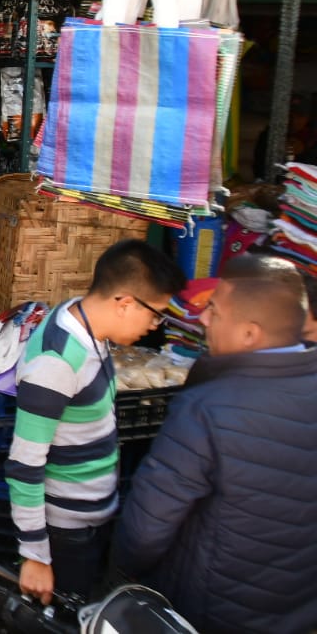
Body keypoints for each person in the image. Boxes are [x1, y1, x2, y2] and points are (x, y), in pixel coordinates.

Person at [113, 254, 317, 633]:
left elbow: (145, 530)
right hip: (299, 607)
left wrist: (126, 570)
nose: (202, 318)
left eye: (215, 312)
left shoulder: (206, 409)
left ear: (250, 334)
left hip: (213, 608)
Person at [5, 239, 184, 605]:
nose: (154, 327)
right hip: (67, 532)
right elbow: (24, 464)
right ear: (125, 303)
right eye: (155, 315)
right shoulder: (56, 363)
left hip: (93, 515)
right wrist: (36, 555)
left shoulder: (84, 323)